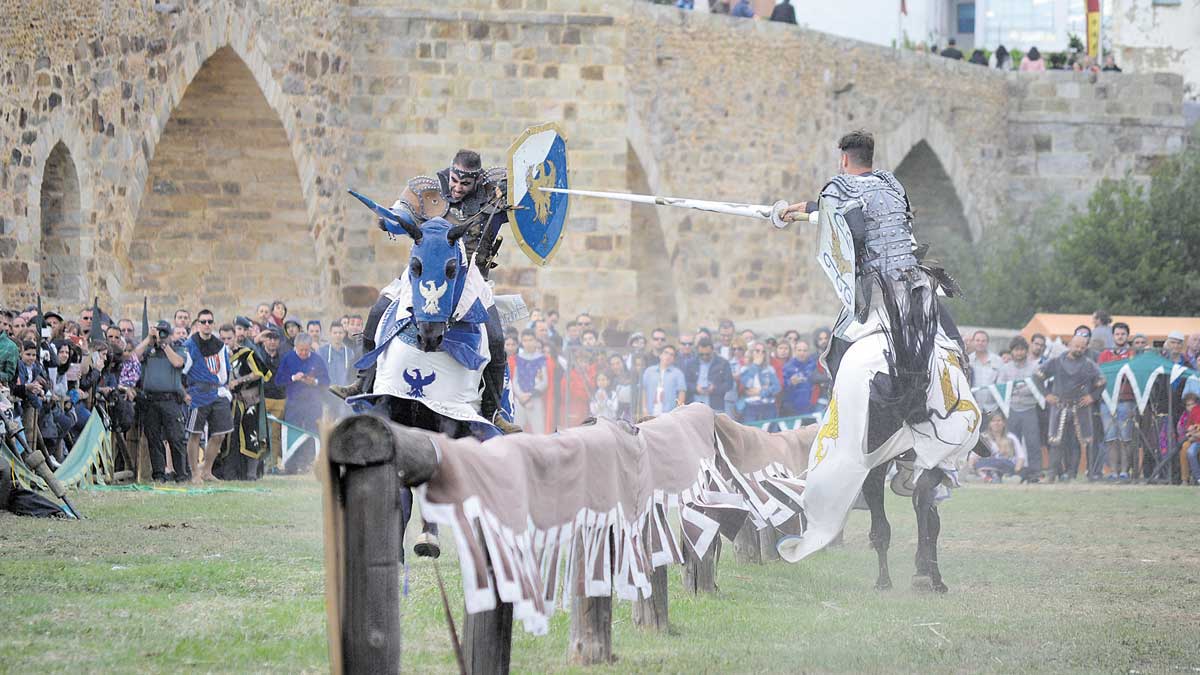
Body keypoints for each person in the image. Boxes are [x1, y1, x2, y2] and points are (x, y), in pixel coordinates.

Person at [334, 149, 513, 431]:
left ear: (477, 180)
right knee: (380, 308)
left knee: (495, 337)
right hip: (424, 271)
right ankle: (363, 379)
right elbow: (400, 212)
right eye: (454, 180)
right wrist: (391, 220)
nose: (456, 188)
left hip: (471, 278)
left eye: (465, 184)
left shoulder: (495, 193)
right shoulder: (425, 190)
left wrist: (515, 194)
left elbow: (526, 201)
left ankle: (492, 410)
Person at [1037, 332, 1104, 482]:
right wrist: (1046, 394)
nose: (1079, 349)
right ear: (1069, 345)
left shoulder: (1089, 364)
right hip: (1059, 406)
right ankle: (1052, 475)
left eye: (1082, 347)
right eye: (1076, 346)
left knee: (1076, 441)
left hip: (1080, 407)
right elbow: (1037, 376)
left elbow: (1101, 381)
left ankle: (1073, 475)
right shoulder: (1056, 362)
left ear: (1086, 348)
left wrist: (1092, 396)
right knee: (1056, 442)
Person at [181, 309, 234, 484]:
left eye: (209, 322)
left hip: (217, 391)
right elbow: (183, 369)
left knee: (220, 434)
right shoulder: (190, 345)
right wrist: (184, 392)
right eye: (203, 322)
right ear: (197, 324)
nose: (206, 325)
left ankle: (207, 470)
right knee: (195, 434)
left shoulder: (220, 346)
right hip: (198, 393)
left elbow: (225, 369)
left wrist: (224, 388)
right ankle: (195, 472)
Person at [134, 321, 189, 483]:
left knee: (176, 438)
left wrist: (164, 345)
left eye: (164, 333)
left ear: (171, 335)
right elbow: (134, 357)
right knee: (153, 438)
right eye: (159, 332)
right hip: (151, 400)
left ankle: (181, 474)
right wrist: (148, 340)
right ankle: (158, 474)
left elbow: (178, 362)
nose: (161, 336)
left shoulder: (178, 348)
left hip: (170, 399)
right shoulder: (149, 350)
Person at [274, 334, 329, 474]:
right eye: (301, 350)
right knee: (293, 432)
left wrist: (314, 382)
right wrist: (293, 378)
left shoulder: (317, 359)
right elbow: (278, 380)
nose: (304, 353)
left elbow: (326, 381)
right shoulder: (288, 358)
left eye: (306, 350)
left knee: (313, 433)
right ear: (295, 347)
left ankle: (310, 464)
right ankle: (291, 465)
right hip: (294, 403)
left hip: (313, 404)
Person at [996, 336, 1042, 482]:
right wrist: (1018, 388)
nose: (1019, 353)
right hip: (1011, 409)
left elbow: (1037, 386)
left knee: (1032, 442)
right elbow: (1000, 386)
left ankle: (1035, 473)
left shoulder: (1035, 367)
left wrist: (1016, 388)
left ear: (1026, 351)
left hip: (1030, 408)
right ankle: (1011, 471)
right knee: (1011, 442)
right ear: (1012, 352)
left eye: (1022, 350)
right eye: (1016, 350)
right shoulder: (1005, 368)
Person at [1098, 322, 1136, 481]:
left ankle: (1125, 471)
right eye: (1117, 334)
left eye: (1123, 334)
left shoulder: (1133, 354)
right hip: (1107, 401)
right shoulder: (1105, 354)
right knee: (1111, 438)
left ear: (1127, 336)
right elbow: (1099, 375)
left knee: (1125, 438)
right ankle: (1113, 472)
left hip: (1126, 400)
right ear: (1113, 336)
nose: (1120, 337)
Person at [684, 336, 733, 413]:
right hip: (694, 406)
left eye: (707, 354)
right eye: (701, 354)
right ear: (697, 351)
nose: (704, 356)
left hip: (716, 406)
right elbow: (685, 383)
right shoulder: (690, 364)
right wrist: (695, 388)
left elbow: (729, 384)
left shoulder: (723, 363)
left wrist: (715, 388)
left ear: (713, 350)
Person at [973, 414, 1027, 483]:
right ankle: (991, 477)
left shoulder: (1011, 437)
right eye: (993, 421)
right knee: (980, 462)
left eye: (999, 421)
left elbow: (1021, 456)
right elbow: (973, 456)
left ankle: (994, 476)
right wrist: (972, 464)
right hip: (986, 465)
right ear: (989, 424)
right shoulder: (983, 437)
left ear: (1004, 423)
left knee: (998, 462)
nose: (996, 423)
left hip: (1006, 465)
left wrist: (1017, 469)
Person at [512, 329, 547, 433]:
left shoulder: (541, 359)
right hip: (520, 399)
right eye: (525, 340)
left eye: (530, 340)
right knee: (517, 431)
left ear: (536, 341)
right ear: (522, 342)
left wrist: (530, 395)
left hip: (535, 399)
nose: (528, 343)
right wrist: (521, 396)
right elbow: (515, 381)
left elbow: (544, 381)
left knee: (539, 431)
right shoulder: (518, 358)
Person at [737, 342, 780, 423]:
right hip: (751, 406)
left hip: (768, 405)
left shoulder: (769, 369)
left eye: (763, 352)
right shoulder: (744, 369)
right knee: (750, 432)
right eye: (757, 351)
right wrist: (755, 365)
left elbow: (777, 387)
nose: (760, 354)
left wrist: (761, 392)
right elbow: (747, 384)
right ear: (752, 353)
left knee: (769, 432)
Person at [641, 344, 686, 417]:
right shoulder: (649, 371)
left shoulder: (678, 373)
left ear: (674, 359)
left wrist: (677, 413)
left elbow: (681, 393)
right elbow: (644, 391)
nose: (668, 356)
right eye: (666, 353)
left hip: (669, 415)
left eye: (671, 355)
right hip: (650, 413)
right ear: (660, 355)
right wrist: (644, 409)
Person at [1179, 392, 1200, 485]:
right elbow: (1186, 430)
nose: (1190, 407)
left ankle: (1196, 477)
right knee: (1185, 448)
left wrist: (1193, 434)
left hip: (1196, 439)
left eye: (1192, 404)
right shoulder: (1187, 416)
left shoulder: (1197, 411)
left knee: (1190, 451)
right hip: (1194, 441)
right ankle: (1185, 479)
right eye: (1188, 405)